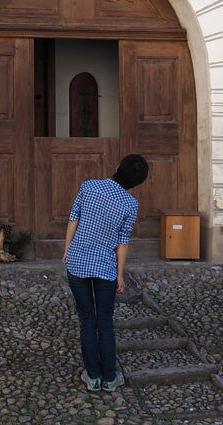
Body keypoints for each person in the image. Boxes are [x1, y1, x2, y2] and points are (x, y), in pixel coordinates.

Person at [61, 153, 149, 392]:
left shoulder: (89, 186)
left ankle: (93, 377)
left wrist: (68, 250)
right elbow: (123, 241)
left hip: (78, 263)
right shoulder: (131, 204)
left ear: (118, 166)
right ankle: (110, 379)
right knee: (105, 323)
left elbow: (73, 219)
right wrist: (120, 274)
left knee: (87, 320)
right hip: (106, 268)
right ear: (137, 182)